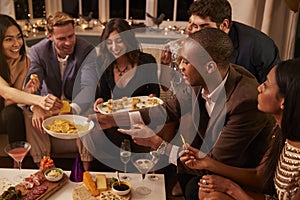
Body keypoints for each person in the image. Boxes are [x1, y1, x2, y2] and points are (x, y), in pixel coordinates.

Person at [100, 28, 274, 199]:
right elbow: (167, 109)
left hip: (231, 174)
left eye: (185, 61)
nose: (180, 67)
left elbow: (213, 163)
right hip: (200, 163)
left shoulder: (245, 102)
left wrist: (157, 143)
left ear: (210, 67)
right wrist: (112, 119)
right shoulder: (202, 78)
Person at [180, 58, 300, 200]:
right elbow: (260, 177)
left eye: (266, 85)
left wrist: (231, 189)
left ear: (283, 101)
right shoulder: (280, 132)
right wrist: (208, 163)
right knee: (205, 191)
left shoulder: (243, 103)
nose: (259, 88)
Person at [23, 11, 95, 170]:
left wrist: (72, 108)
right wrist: (36, 106)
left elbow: (89, 87)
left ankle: (86, 171)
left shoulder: (86, 50)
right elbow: (34, 77)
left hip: (75, 104)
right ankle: (46, 169)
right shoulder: (38, 51)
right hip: (49, 104)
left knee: (88, 113)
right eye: (62, 38)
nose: (68, 42)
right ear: (50, 36)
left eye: (71, 36)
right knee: (30, 115)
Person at [161, 0, 280, 86]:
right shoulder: (190, 43)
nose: (195, 32)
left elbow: (274, 90)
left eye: (203, 26)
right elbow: (172, 88)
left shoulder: (258, 46)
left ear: (224, 25)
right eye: (193, 25)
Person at [92, 18, 160, 153]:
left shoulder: (147, 61)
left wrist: (152, 98)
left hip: (140, 118)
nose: (114, 47)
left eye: (119, 41)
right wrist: (99, 101)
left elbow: (155, 92)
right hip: (115, 119)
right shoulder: (103, 62)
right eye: (109, 42)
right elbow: (103, 97)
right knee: (98, 128)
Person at [0, 14, 62, 144]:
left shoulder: (23, 61)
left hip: (4, 113)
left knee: (13, 112)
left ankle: (18, 160)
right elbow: (6, 93)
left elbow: (9, 101)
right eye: (9, 39)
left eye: (18, 37)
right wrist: (40, 100)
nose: (16, 44)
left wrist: (26, 93)